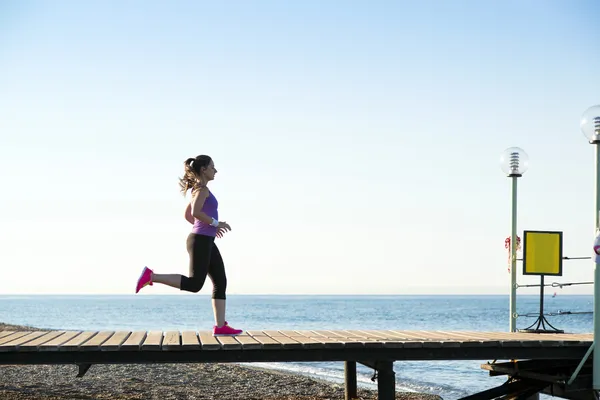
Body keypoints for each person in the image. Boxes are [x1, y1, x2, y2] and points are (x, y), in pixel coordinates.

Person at [135, 155, 243, 337]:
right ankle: (151, 276)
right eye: (212, 167)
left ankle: (220, 326)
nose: (215, 171)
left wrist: (207, 226)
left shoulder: (199, 190)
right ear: (204, 169)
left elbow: (188, 215)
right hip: (200, 241)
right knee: (195, 284)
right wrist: (215, 223)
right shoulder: (201, 190)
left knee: (220, 280)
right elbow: (194, 212)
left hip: (204, 239)